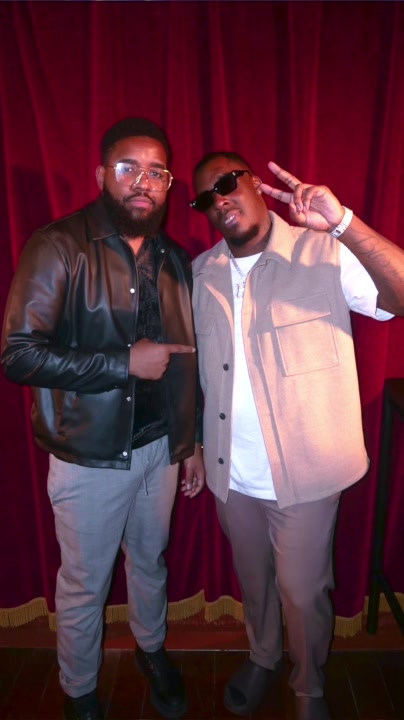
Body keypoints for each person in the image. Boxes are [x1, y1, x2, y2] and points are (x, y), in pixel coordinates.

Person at [1, 117, 205, 720]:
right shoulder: (58, 245)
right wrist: (122, 363)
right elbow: (18, 354)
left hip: (159, 449)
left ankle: (151, 650)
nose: (143, 181)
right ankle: (79, 689)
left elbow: (184, 362)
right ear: (101, 175)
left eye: (157, 172)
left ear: (168, 185)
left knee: (150, 563)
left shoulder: (175, 259)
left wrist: (189, 441)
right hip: (88, 456)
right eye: (128, 168)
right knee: (85, 583)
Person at [189, 152, 404, 720]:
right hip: (232, 474)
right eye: (205, 197)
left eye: (228, 183)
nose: (220, 200)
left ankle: (308, 687)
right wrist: (196, 447)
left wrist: (344, 223)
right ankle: (263, 657)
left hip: (306, 474)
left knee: (303, 594)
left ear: (257, 183)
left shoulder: (324, 251)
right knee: (254, 582)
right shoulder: (201, 273)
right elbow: (200, 373)